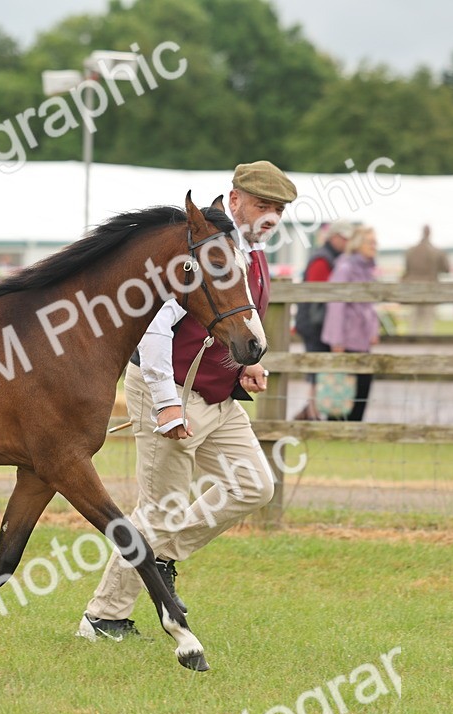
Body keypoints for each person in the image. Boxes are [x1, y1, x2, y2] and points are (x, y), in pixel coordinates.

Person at [77, 161, 295, 640]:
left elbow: (237, 320)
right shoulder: (199, 251)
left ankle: (162, 555)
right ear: (234, 199)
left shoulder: (252, 255)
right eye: (263, 205)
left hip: (219, 397)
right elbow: (154, 329)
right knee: (161, 509)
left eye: (278, 209)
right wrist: (165, 403)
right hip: (170, 388)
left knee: (254, 486)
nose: (272, 216)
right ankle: (104, 616)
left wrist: (250, 363)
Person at [293, 219, 355, 420]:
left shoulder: (330, 258)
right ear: (334, 237)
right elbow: (317, 295)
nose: (347, 243)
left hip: (318, 323)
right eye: (344, 238)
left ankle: (311, 412)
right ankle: (312, 412)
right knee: (316, 369)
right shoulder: (323, 260)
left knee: (318, 369)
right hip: (314, 324)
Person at [320, 226, 380, 422]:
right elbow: (336, 306)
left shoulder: (367, 268)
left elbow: (370, 306)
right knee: (344, 387)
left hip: (362, 339)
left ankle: (354, 427)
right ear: (358, 244)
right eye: (370, 242)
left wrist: (374, 330)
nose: (374, 246)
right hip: (347, 339)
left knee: (363, 385)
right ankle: (337, 426)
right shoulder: (345, 267)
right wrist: (336, 340)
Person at [403, 225, 450, 336]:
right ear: (430, 233)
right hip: (430, 289)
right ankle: (427, 349)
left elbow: (407, 270)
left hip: (413, 289)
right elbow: (446, 269)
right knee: (428, 324)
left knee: (413, 322)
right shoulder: (437, 252)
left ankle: (410, 346)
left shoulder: (410, 251)